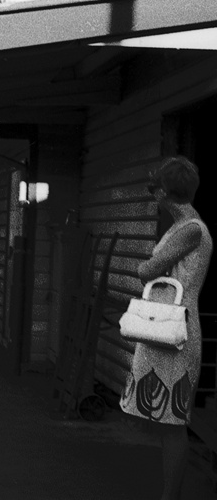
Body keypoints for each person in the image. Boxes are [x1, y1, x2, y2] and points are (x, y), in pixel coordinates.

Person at [119, 156, 212, 500]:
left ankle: (169, 497)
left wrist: (145, 263)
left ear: (166, 192)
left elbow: (148, 270)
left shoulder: (190, 229)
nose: (152, 194)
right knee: (167, 422)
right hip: (170, 329)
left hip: (177, 334)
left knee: (173, 424)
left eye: (155, 187)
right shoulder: (183, 226)